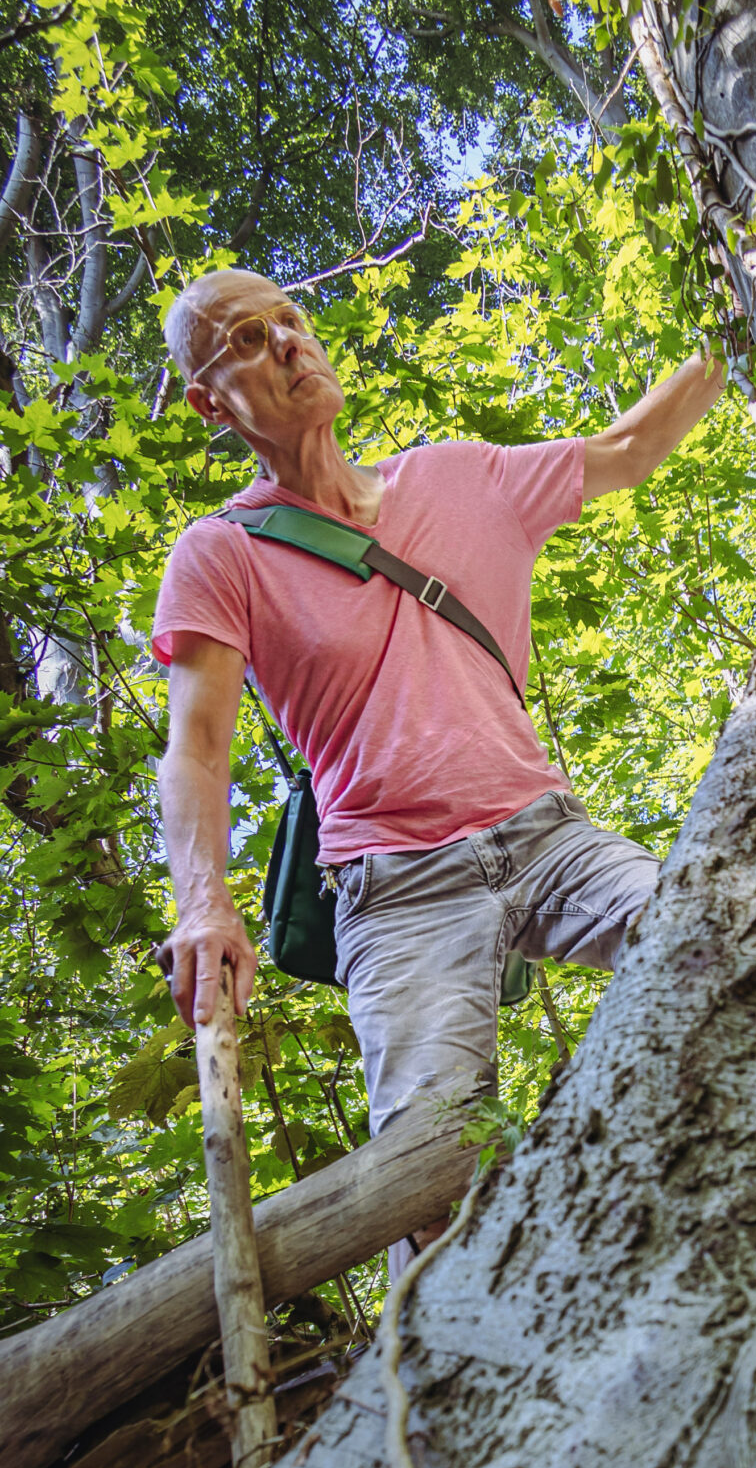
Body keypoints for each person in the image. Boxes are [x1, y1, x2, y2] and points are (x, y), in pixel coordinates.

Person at [152, 268, 723, 1255]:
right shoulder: (223, 552)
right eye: (246, 340)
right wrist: (203, 899)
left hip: (550, 842)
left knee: (717, 939)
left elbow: (632, 449)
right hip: (397, 893)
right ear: (209, 402)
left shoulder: (460, 478)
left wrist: (737, 307)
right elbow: (197, 748)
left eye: (289, 319)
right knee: (428, 1193)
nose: (288, 343)